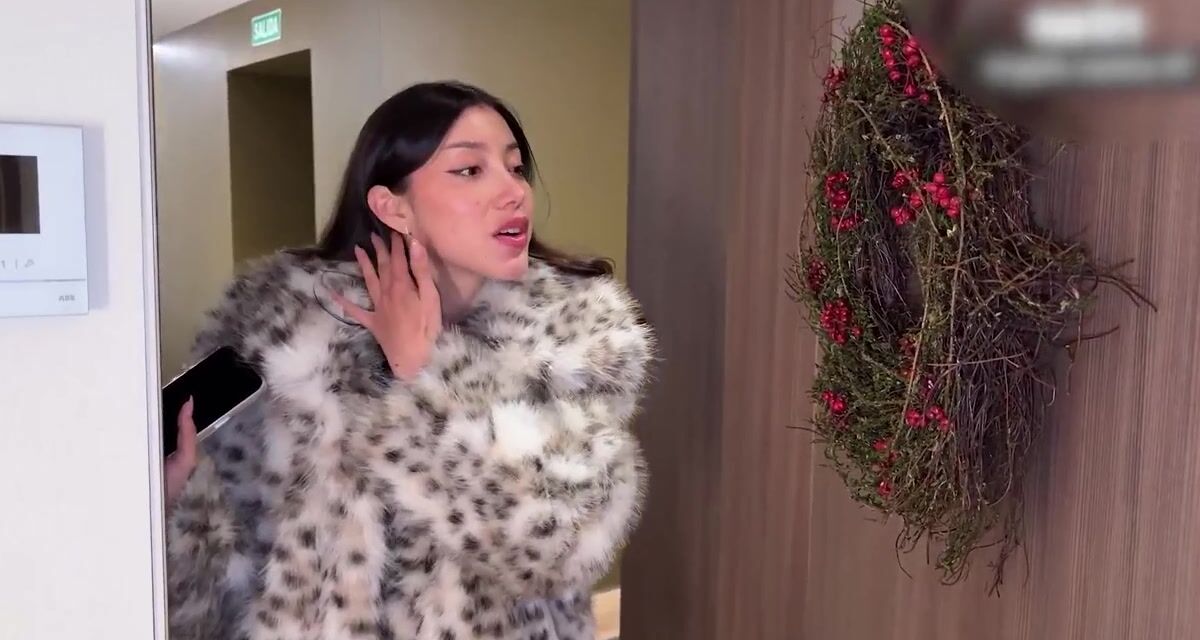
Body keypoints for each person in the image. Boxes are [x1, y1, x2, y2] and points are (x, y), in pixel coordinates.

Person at [162, 80, 653, 640]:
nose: (514, 192)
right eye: (470, 170)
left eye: (516, 168)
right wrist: (175, 501)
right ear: (391, 206)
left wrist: (432, 372)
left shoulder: (572, 338)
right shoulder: (285, 333)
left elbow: (560, 545)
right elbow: (222, 563)